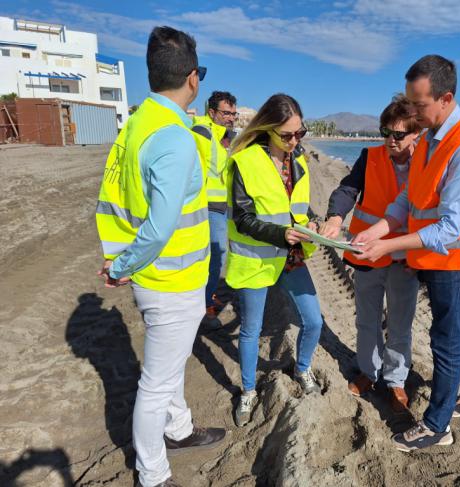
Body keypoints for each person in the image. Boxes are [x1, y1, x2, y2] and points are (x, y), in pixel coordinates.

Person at [96, 26, 226, 487]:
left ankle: (180, 428)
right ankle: (152, 473)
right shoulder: (173, 138)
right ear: (193, 79)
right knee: (154, 383)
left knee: (166, 368)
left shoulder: (138, 122)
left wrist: (122, 261)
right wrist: (124, 266)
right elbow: (161, 225)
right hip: (169, 279)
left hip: (157, 277)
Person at [353, 54, 460, 451]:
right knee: (458, 329)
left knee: (446, 339)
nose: (413, 113)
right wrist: (379, 229)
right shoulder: (432, 138)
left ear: (446, 97)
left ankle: (437, 426)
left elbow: (449, 229)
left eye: (419, 104)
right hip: (437, 260)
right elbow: (408, 198)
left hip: (458, 262)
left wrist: (387, 245)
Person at [225, 93, 324, 427]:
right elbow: (242, 218)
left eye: (300, 133)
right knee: (251, 330)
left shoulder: (300, 163)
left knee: (313, 321)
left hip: (292, 256)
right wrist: (281, 234)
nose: (295, 141)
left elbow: (296, 208)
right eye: (287, 135)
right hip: (257, 257)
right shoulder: (244, 161)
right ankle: (249, 392)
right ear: (267, 129)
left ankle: (303, 368)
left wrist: (309, 225)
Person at [319, 95, 420, 412]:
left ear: (416, 133)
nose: (390, 140)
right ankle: (369, 371)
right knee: (367, 320)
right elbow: (348, 188)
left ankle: (396, 381)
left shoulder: (426, 164)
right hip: (367, 254)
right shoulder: (370, 156)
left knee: (401, 324)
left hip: (404, 258)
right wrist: (336, 216)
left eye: (398, 134)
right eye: (385, 132)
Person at [192, 91, 238, 327]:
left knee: (218, 256)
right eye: (226, 113)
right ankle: (204, 309)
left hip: (224, 205)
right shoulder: (202, 132)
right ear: (211, 112)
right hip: (208, 204)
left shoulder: (228, 135)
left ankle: (206, 296)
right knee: (215, 257)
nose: (231, 117)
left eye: (233, 113)